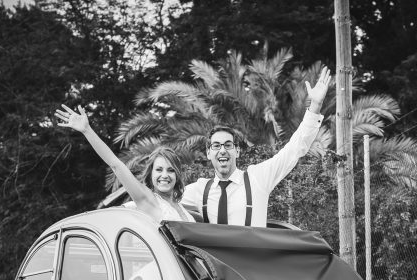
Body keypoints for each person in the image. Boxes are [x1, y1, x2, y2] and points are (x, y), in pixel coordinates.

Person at [181, 66, 332, 227]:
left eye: (228, 145)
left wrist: (315, 105)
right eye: (216, 146)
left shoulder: (257, 178)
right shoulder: (199, 190)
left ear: (237, 150)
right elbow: (163, 200)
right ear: (208, 152)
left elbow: (294, 150)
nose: (223, 150)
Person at [55, 104, 194, 224]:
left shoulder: (181, 207)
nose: (164, 175)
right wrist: (87, 130)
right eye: (159, 169)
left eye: (170, 170)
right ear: (151, 174)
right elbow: (115, 164)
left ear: (177, 175)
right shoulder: (147, 199)